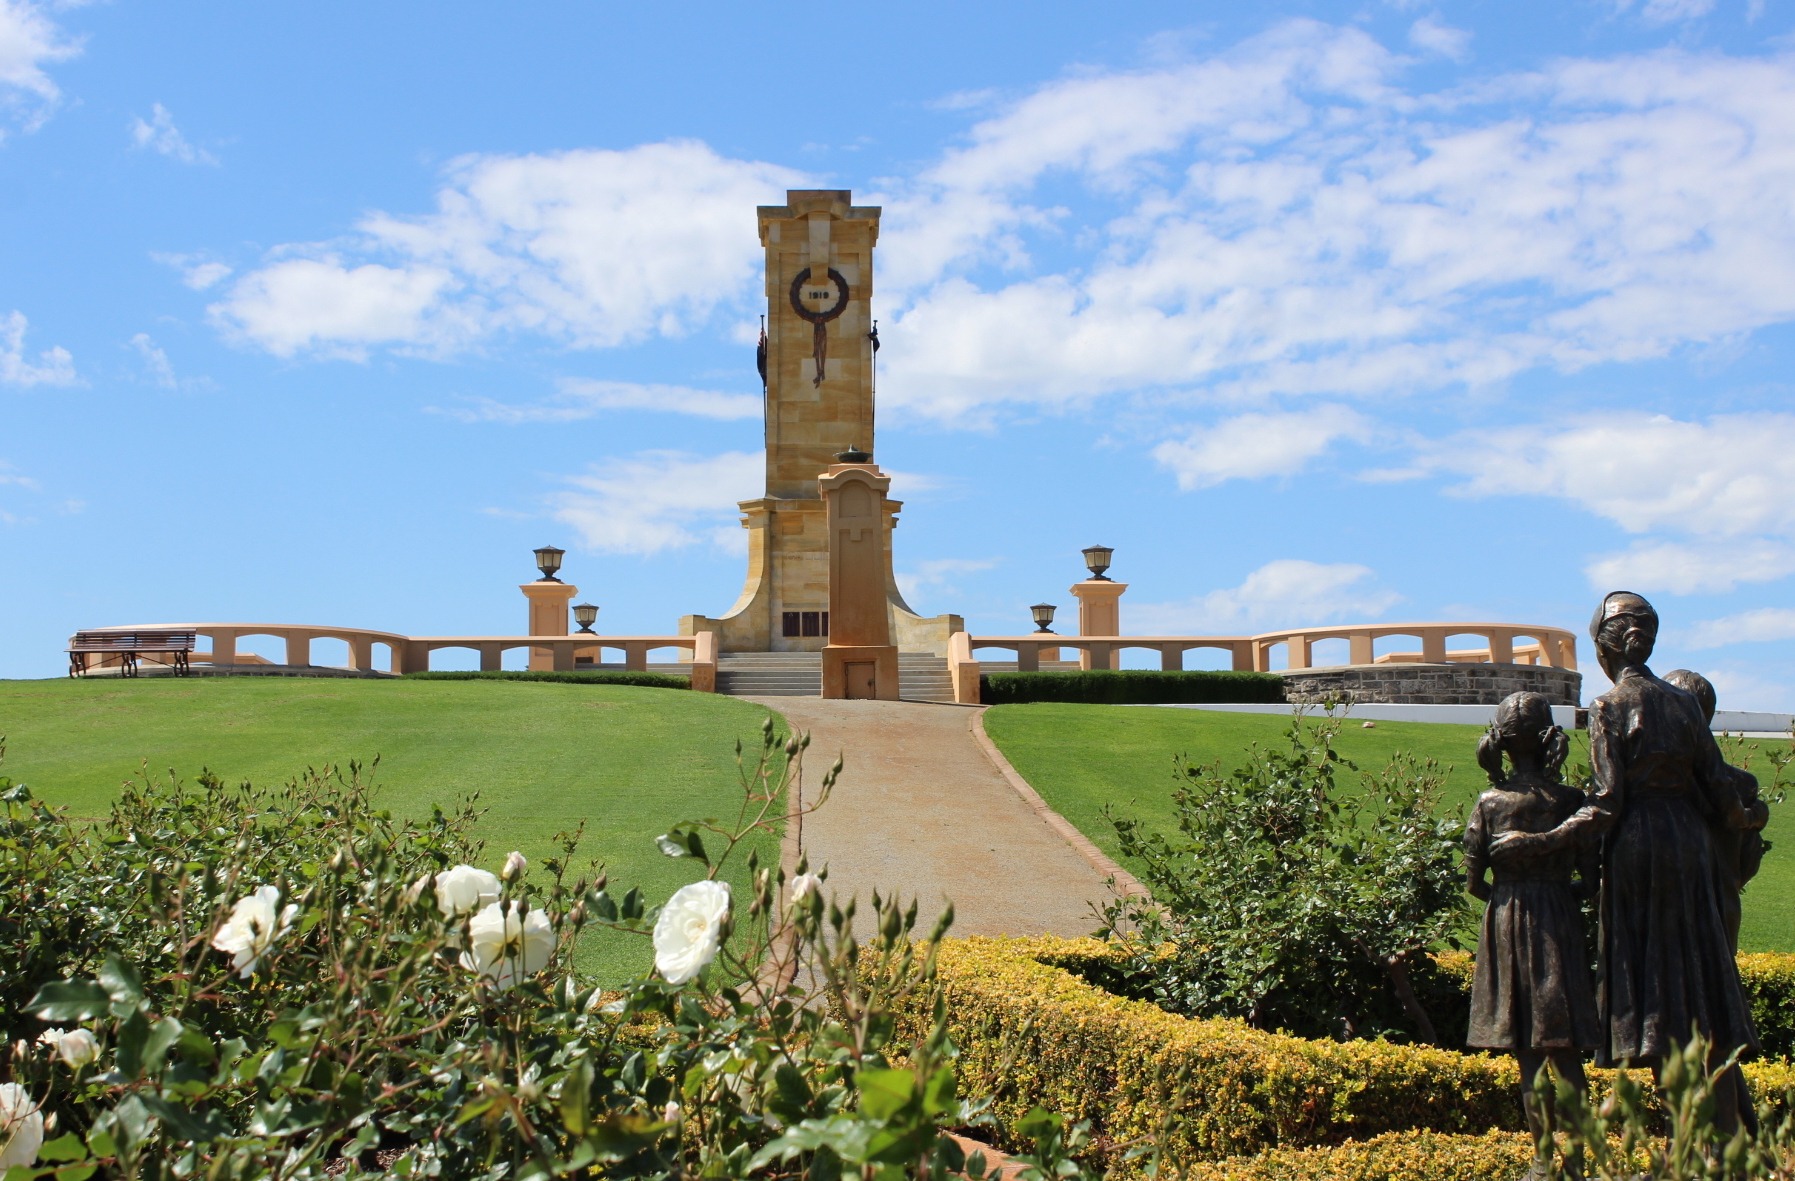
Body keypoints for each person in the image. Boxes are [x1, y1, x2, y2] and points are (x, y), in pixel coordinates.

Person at [1493, 593, 1760, 1133]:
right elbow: (1722, 791)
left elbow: (1607, 802)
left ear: (1600, 649)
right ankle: (1720, 1146)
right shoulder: (1684, 705)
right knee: (1703, 996)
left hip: (1639, 853)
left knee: (1660, 999)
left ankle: (1698, 1144)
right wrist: (1749, 816)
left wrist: (1542, 842)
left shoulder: (1609, 706)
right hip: (1690, 850)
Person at [1463, 692, 1598, 1176]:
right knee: (1565, 1053)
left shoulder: (1489, 802)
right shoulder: (1570, 801)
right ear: (1548, 741)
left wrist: (1508, 898)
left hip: (1508, 919)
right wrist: (1559, 890)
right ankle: (1579, 1162)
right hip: (1558, 917)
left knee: (1528, 1057)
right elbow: (1594, 880)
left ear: (1500, 741)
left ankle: (1541, 1162)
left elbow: (1474, 882)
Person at [1661, 668, 1771, 955]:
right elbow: (1749, 859)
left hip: (1660, 904)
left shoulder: (1645, 781)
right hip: (1722, 903)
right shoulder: (1743, 785)